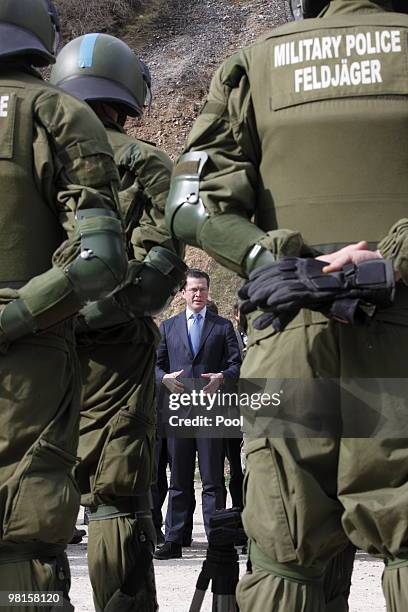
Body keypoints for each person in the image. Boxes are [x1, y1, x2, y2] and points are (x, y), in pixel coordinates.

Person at [165, 0, 408, 610]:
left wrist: (269, 262)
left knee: (285, 556)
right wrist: (390, 258)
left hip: (287, 326)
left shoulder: (255, 63)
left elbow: (190, 205)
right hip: (401, 325)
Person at [50, 33, 186, 612]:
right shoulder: (149, 164)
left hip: (33, 348)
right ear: (127, 93)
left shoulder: (36, 153)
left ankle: (32, 602)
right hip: (115, 357)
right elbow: (155, 279)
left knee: (32, 508)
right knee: (114, 501)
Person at [0, 2, 127, 610]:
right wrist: (17, 315)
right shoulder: (53, 112)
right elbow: (99, 261)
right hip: (28, 362)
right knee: (24, 539)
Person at [154, 268, 242, 559]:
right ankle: (174, 539)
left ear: (208, 291)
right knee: (178, 479)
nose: (198, 294)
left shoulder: (223, 327)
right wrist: (163, 378)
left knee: (213, 480)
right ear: (183, 292)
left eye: (202, 289)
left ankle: (217, 538)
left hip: (211, 410)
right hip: (178, 411)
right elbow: (154, 366)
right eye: (192, 289)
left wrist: (223, 377)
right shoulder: (168, 327)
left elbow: (237, 364)